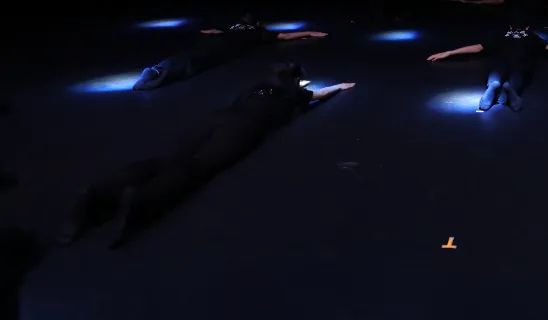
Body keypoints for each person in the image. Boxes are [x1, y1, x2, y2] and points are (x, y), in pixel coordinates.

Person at [58, 64, 354, 247]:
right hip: (243, 128)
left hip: (216, 117)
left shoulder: (256, 88)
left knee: (168, 160)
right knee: (198, 168)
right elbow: (319, 95)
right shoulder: (294, 94)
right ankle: (141, 200)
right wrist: (338, 86)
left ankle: (99, 192)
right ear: (297, 82)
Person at [426, 24, 548, 111]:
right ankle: (512, 91)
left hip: (501, 60)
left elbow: (478, 47)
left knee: (496, 74)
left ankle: (492, 87)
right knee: (518, 76)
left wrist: (449, 52)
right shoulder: (531, 36)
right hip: (521, 61)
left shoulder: (501, 34)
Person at [133, 14, 328, 90]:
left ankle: (158, 70)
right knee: (197, 62)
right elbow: (285, 36)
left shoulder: (233, 27)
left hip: (216, 42)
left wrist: (203, 31)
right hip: (224, 49)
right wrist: (309, 33)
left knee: (190, 56)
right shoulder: (259, 32)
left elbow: (214, 31)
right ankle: (157, 75)